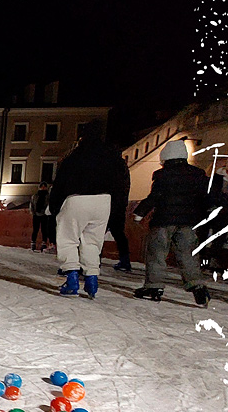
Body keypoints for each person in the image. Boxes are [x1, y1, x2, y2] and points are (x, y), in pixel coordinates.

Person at [48, 119, 125, 298]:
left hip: (76, 199)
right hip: (104, 201)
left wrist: (54, 207)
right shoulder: (113, 156)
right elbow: (121, 185)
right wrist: (116, 209)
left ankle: (72, 278)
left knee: (68, 238)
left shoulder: (74, 156)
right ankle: (92, 279)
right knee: (93, 242)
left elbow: (59, 183)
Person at [131, 140, 212, 306]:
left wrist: (140, 213)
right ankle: (198, 286)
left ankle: (154, 287)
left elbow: (155, 196)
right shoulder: (197, 174)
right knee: (188, 254)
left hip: (163, 221)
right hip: (189, 222)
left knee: (157, 253)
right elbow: (205, 197)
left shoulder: (162, 174)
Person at [109, 154, 133, 272]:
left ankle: (92, 261)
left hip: (107, 203)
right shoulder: (123, 168)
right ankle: (125, 260)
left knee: (95, 234)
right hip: (119, 205)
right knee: (119, 234)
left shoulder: (108, 167)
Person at [29, 182, 55, 252]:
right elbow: (32, 205)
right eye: (42, 186)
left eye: (44, 186)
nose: (43, 188)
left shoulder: (48, 196)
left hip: (45, 215)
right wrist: (33, 212)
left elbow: (49, 205)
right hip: (36, 215)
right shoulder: (35, 196)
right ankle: (33, 243)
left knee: (44, 230)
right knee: (35, 230)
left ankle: (44, 243)